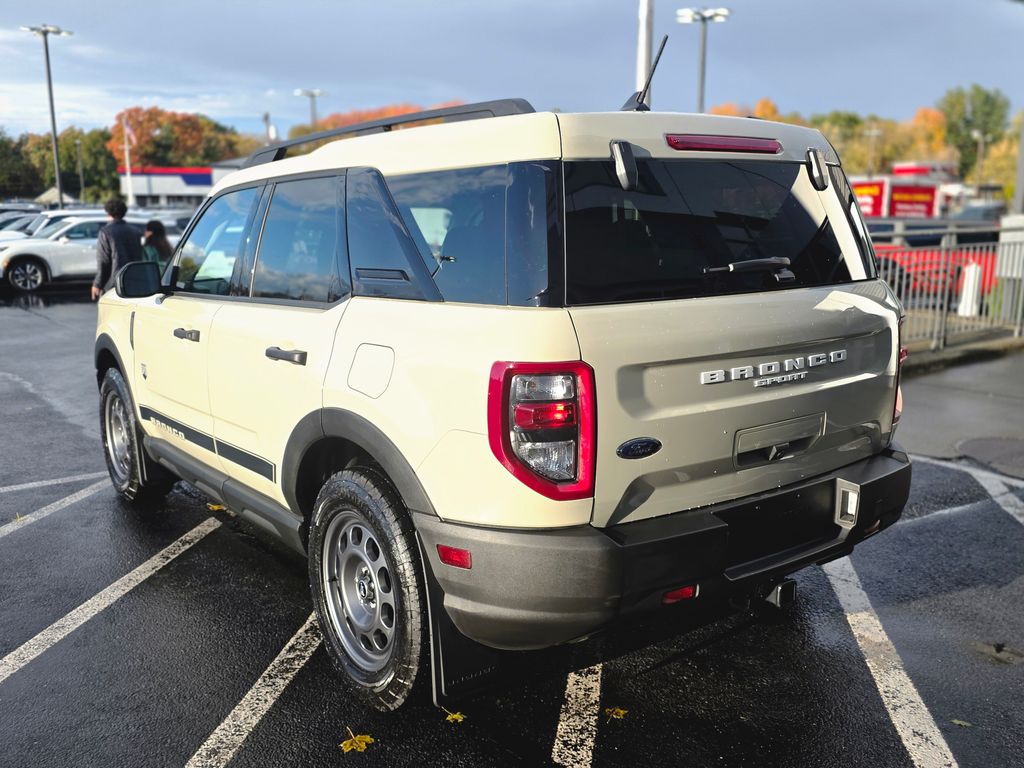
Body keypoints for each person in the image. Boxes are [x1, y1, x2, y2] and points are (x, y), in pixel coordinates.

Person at [91, 198, 144, 301]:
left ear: (108, 212)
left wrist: (97, 284)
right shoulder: (135, 231)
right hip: (134, 282)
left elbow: (103, 261)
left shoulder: (105, 232)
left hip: (114, 285)